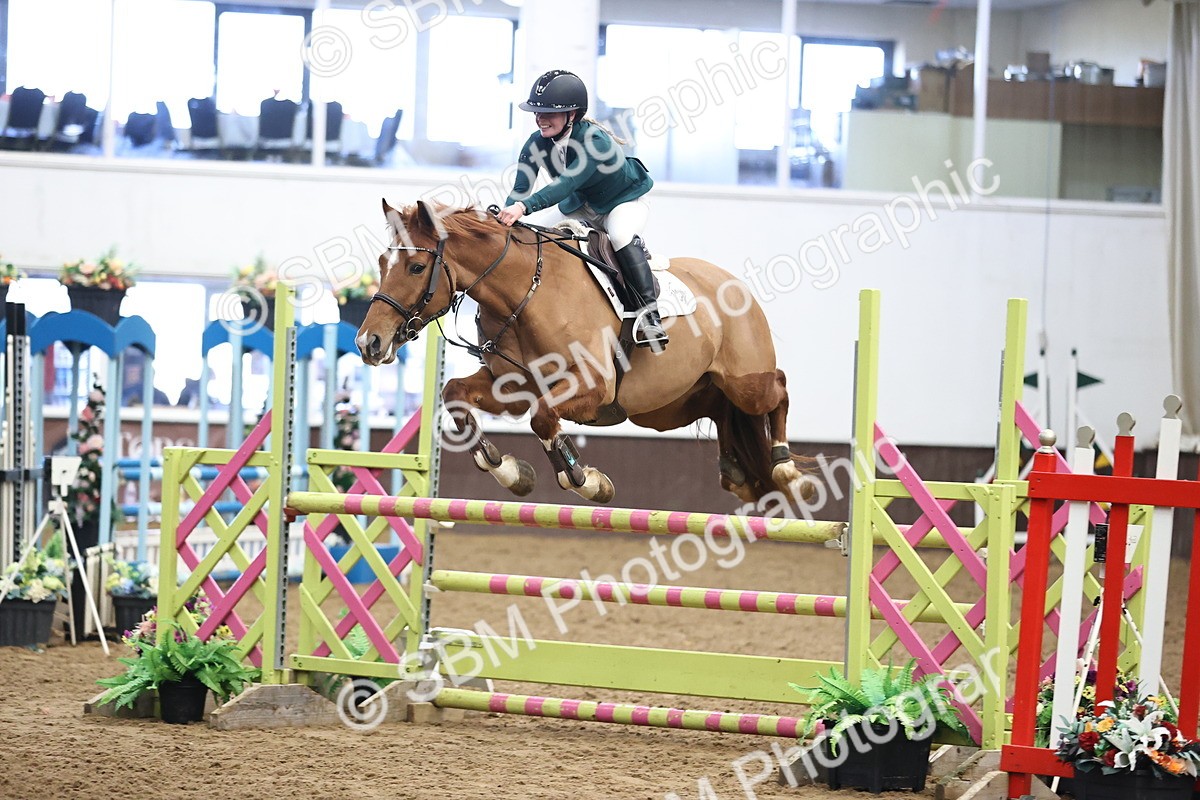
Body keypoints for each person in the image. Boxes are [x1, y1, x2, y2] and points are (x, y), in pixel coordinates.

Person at [498, 69, 668, 349]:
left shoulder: (595, 141)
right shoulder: (536, 143)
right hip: (583, 205)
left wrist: (523, 208)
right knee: (538, 235)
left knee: (620, 236)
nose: (540, 119)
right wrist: (504, 217)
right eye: (537, 112)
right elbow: (520, 189)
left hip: (623, 201)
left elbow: (566, 184)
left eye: (548, 113)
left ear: (572, 115)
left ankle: (649, 316)